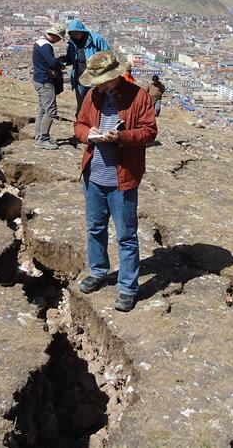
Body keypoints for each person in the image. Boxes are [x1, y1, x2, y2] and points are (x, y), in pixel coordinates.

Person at [74, 50, 157, 312]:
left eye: (102, 80)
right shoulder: (93, 95)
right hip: (94, 176)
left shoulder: (138, 97)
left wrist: (120, 137)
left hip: (122, 179)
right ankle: (98, 271)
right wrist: (90, 134)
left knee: (126, 236)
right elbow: (78, 125)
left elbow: (149, 131)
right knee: (95, 228)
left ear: (115, 76)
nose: (98, 84)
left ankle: (127, 288)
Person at [63, 18, 109, 117]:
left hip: (94, 79)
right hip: (79, 79)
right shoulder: (71, 44)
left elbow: (108, 55)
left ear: (82, 31)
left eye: (76, 33)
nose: (74, 36)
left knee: (96, 103)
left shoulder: (96, 39)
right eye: (72, 34)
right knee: (81, 104)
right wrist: (60, 62)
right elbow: (70, 59)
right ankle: (80, 125)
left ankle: (94, 125)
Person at [32, 24, 66, 150]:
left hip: (39, 80)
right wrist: (61, 64)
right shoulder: (46, 45)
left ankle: (39, 136)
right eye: (58, 38)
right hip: (45, 81)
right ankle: (43, 139)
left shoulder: (39, 42)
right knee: (51, 110)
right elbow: (51, 63)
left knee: (42, 109)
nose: (58, 41)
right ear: (54, 35)